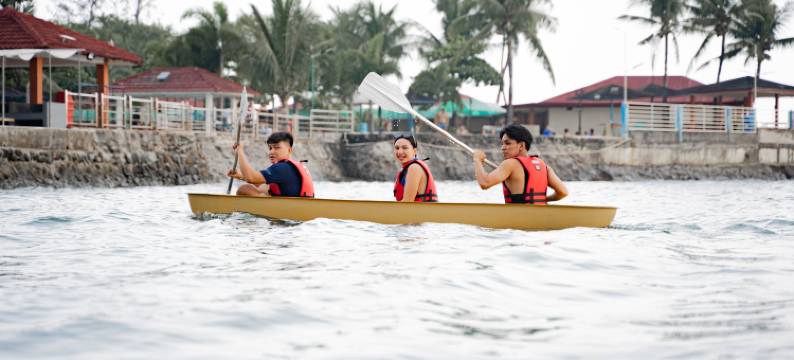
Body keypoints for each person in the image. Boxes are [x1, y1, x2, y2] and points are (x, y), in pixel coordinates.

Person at [472, 124, 568, 204]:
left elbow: (484, 183)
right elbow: (563, 192)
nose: (503, 147)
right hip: (539, 216)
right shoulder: (544, 166)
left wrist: (477, 159)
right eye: (502, 144)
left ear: (521, 145)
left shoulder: (510, 164)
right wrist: (544, 199)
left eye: (507, 143)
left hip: (517, 220)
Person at [227, 132, 314, 197]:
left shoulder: (282, 168)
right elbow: (262, 183)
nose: (271, 152)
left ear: (289, 150)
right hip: (297, 211)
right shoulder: (289, 167)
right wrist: (241, 176)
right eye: (270, 148)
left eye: (277, 148)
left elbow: (251, 178)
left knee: (244, 189)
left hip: (288, 214)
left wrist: (240, 152)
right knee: (264, 187)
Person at [392, 134, 438, 202]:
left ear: (414, 151)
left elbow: (407, 202)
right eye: (397, 148)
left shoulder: (414, 168)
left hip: (424, 211)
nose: (399, 152)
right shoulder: (405, 170)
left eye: (405, 148)